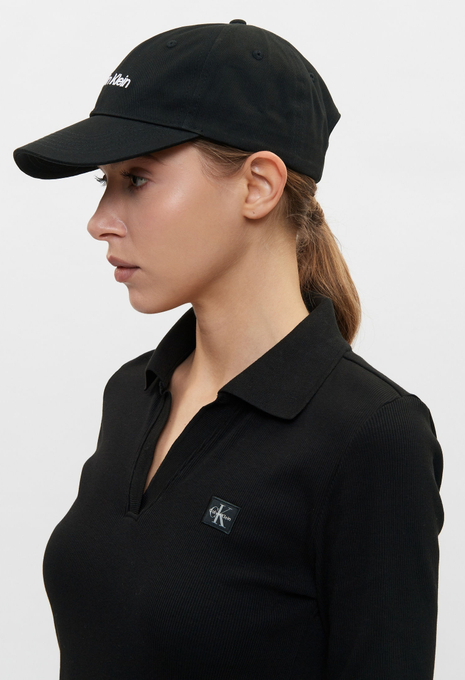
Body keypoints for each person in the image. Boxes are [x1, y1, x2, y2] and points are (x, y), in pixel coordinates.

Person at [13, 19, 444, 680]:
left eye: (137, 179)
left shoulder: (371, 436)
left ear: (258, 185)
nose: (99, 221)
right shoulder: (131, 392)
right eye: (103, 182)